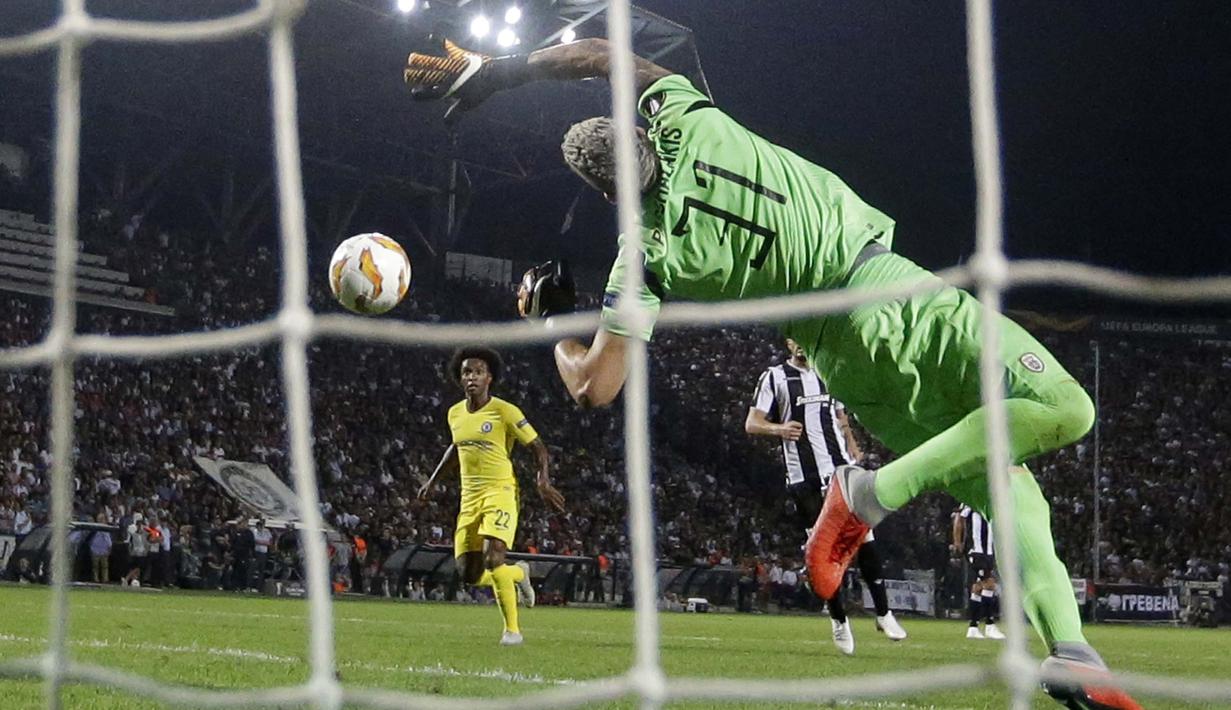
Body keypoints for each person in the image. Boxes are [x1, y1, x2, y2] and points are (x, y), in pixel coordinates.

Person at [404, 37, 1140, 709]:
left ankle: (1069, 650)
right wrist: (495, 73)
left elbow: (594, 387)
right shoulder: (688, 121)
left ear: (608, 193)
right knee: (1064, 405)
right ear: (639, 129)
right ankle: (869, 493)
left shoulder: (647, 252)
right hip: (893, 294)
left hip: (841, 360)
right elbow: (600, 54)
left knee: (1010, 489)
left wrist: (547, 324)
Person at [746, 338, 907, 655]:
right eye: (796, 340)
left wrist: (851, 441)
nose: (802, 345)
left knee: (865, 539)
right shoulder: (775, 377)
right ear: (789, 342)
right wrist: (778, 430)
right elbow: (752, 423)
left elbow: (840, 415)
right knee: (824, 552)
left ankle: (884, 612)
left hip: (841, 472)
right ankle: (839, 621)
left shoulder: (828, 372)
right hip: (803, 477)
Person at [417, 346, 566, 645]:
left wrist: (542, 478)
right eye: (466, 372)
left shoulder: (504, 411)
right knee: (469, 575)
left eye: (478, 372)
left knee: (493, 555)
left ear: (490, 378)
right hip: (469, 498)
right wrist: (432, 481)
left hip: (500, 492)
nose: (472, 377)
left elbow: (538, 447)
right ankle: (516, 574)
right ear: (460, 378)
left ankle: (512, 631)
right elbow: (456, 447)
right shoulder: (455, 413)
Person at [953, 503, 1005, 640]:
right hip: (977, 550)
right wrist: (957, 542)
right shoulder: (971, 499)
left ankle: (973, 627)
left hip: (988, 550)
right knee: (989, 583)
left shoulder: (992, 500)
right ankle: (989, 625)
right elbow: (959, 518)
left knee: (977, 587)